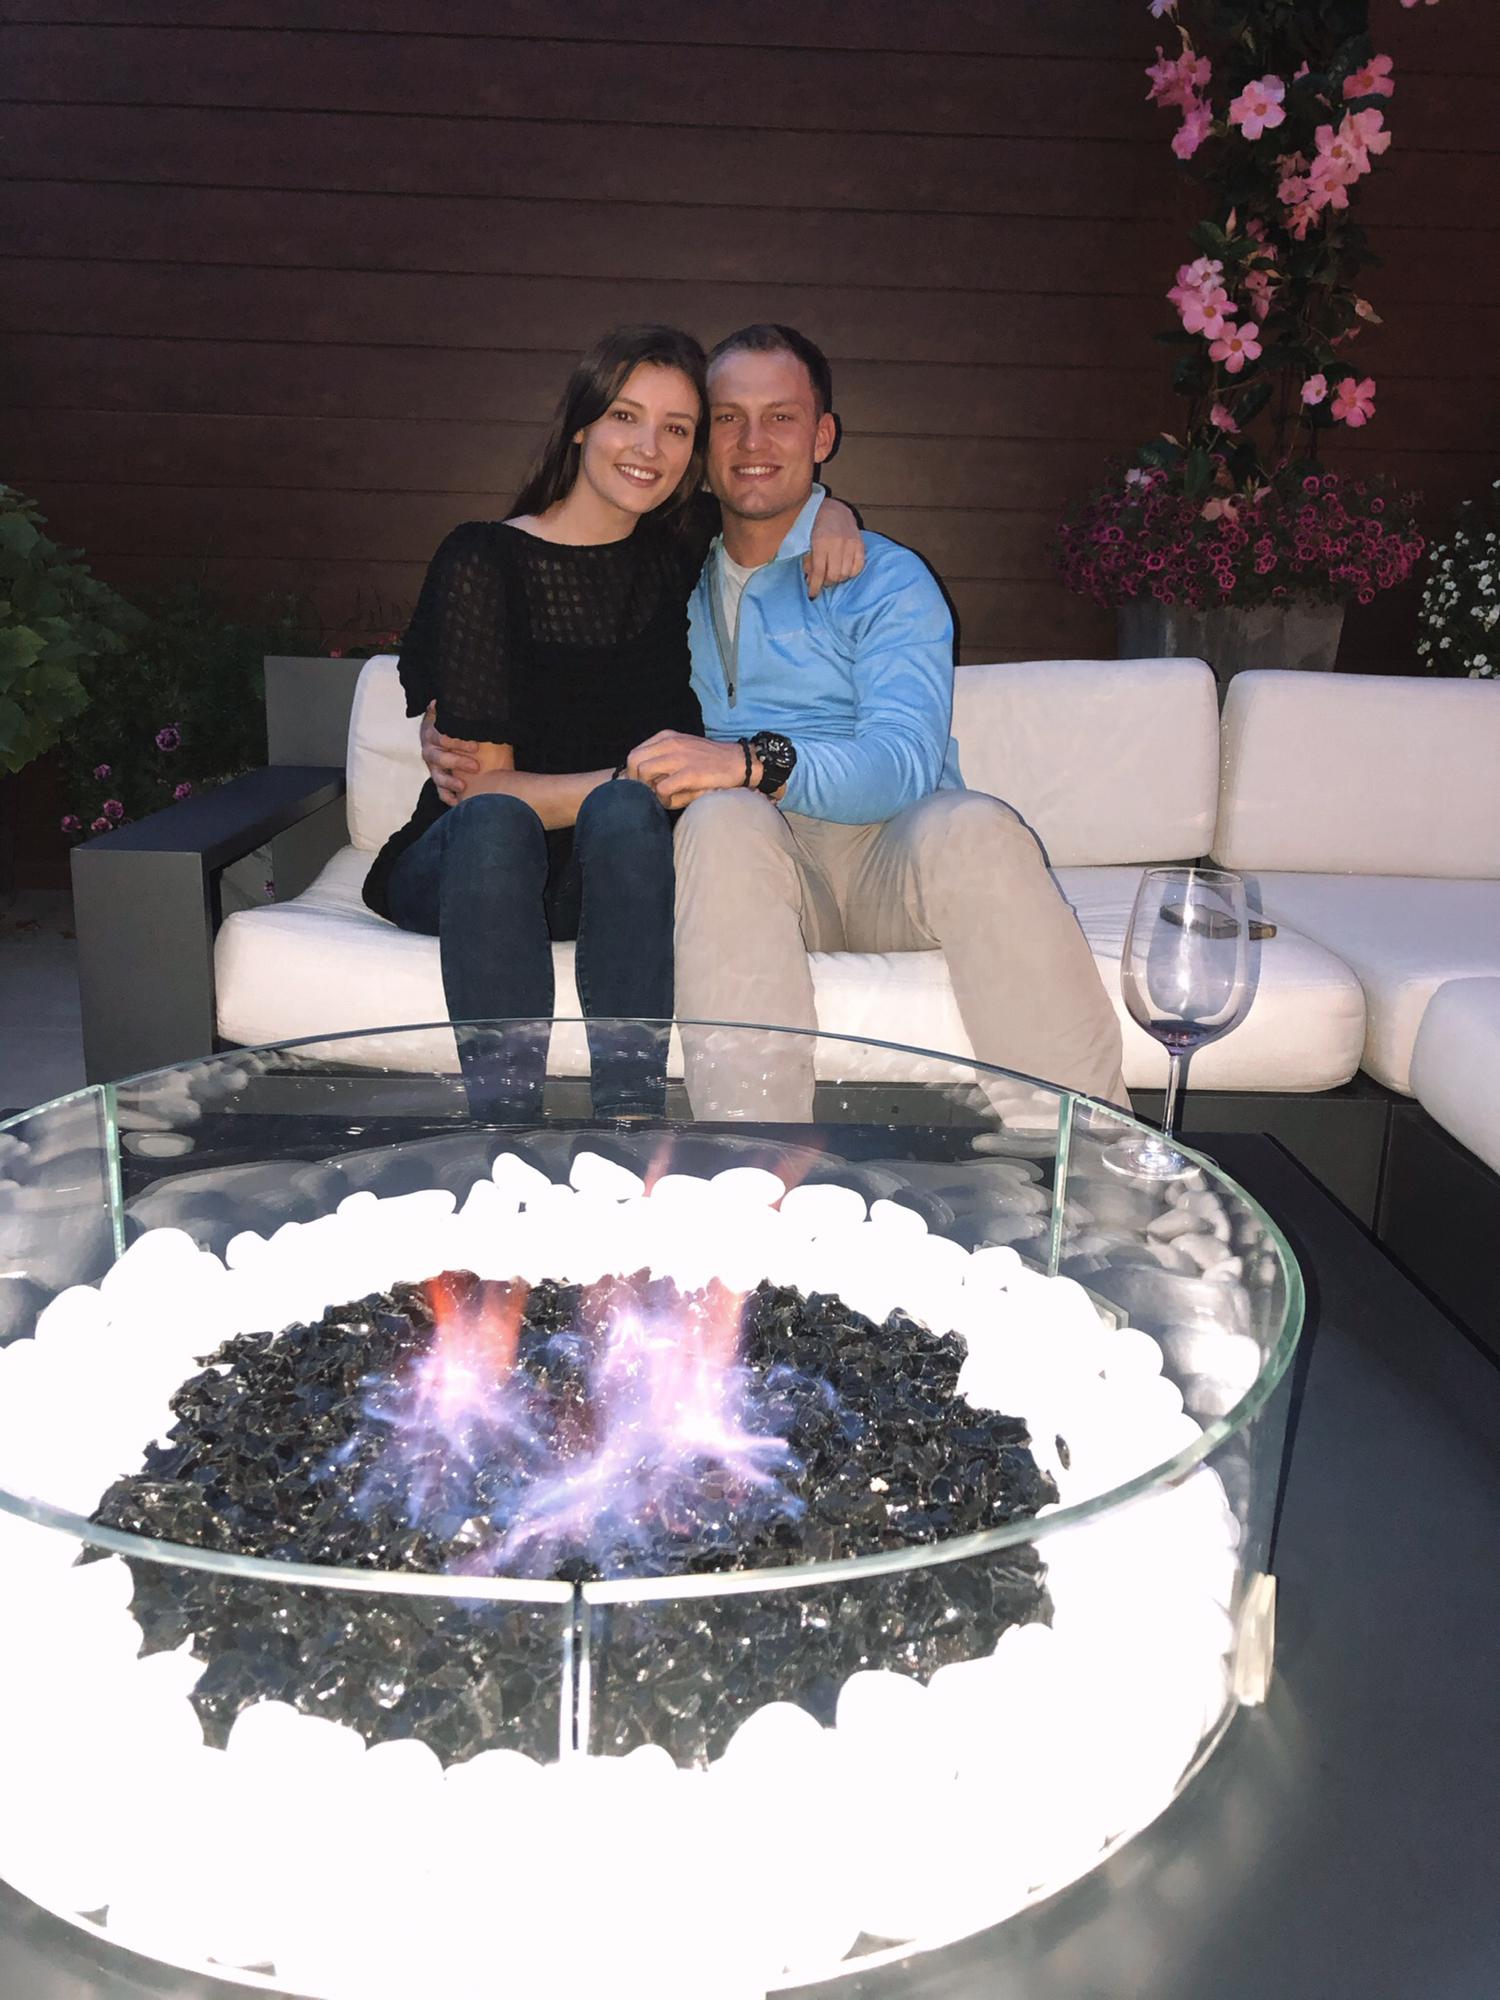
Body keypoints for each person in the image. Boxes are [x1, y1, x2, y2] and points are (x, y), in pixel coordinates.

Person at [622, 323, 1129, 1123]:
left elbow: (903, 763)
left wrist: (752, 760)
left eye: (781, 417)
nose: (753, 442)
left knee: (978, 827)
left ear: (822, 437)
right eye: (728, 418)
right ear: (701, 444)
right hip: (758, 868)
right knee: (719, 821)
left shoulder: (885, 577)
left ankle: (1084, 1151)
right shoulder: (663, 579)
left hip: (894, 859)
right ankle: (749, 1158)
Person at [369, 323, 862, 1121]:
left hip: (613, 875)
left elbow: (772, 500)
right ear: (581, 424)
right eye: (626, 417)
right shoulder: (482, 561)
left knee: (628, 816)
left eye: (677, 429)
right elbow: (484, 792)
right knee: (521, 817)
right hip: (478, 868)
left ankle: (628, 1122)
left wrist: (833, 511)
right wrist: (642, 776)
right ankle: (502, 1130)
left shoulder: (680, 554)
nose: (649, 448)